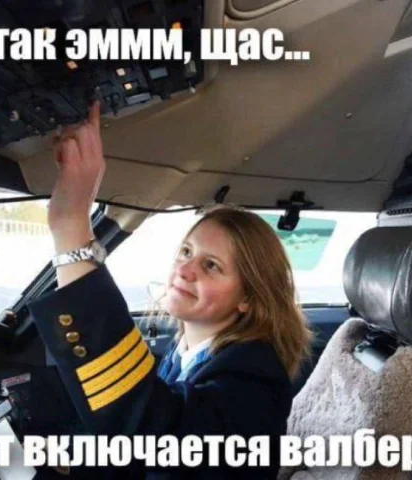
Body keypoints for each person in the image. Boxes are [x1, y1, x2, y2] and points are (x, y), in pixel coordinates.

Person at [27, 101, 313, 478]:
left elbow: (158, 434)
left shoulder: (254, 380)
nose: (185, 269)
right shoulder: (188, 351)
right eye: (187, 251)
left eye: (211, 266)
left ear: (248, 298)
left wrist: (70, 225)